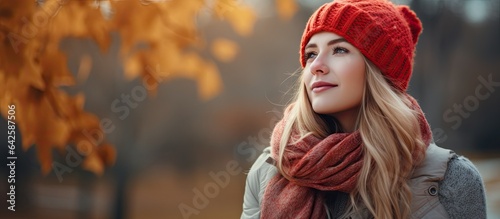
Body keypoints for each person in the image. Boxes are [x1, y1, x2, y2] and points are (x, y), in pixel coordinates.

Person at [241, 0, 487, 218]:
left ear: (379, 73)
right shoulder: (270, 169)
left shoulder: (452, 180)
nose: (317, 66)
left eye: (339, 49)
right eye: (311, 54)